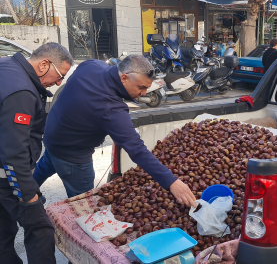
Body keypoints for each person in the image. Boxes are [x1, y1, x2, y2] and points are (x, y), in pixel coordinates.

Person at [33, 55, 197, 208]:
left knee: (39, 173)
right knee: (83, 207)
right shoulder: (110, 108)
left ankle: (24, 195)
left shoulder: (92, 65)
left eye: (147, 88)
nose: (144, 93)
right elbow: (137, 150)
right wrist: (172, 182)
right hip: (73, 157)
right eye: (141, 87)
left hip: (52, 138)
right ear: (124, 78)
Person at [0, 43, 73, 264]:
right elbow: (14, 152)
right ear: (44, 64)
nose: (59, 83)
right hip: (6, 176)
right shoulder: (22, 93)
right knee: (40, 228)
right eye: (60, 75)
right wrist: (28, 193)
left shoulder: (7, 66)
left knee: (3, 228)